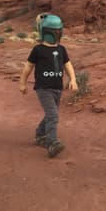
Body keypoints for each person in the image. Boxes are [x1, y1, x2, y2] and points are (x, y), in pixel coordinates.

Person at [19, 13, 78, 158]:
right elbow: (28, 67)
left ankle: (40, 134)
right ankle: (52, 143)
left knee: (51, 115)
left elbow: (68, 65)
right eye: (55, 31)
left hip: (57, 88)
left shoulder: (61, 49)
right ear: (46, 32)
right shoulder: (38, 50)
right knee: (53, 115)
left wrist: (73, 80)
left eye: (59, 31)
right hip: (43, 89)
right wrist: (22, 83)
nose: (57, 33)